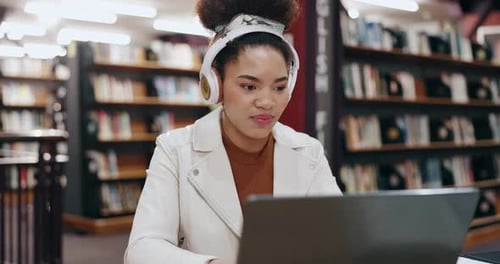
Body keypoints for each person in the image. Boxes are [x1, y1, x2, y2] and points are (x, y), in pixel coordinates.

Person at [124, 0, 342, 263]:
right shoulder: (175, 151)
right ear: (215, 83)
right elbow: (142, 249)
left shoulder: (309, 152)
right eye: (249, 87)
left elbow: (338, 237)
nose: (267, 102)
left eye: (279, 87)